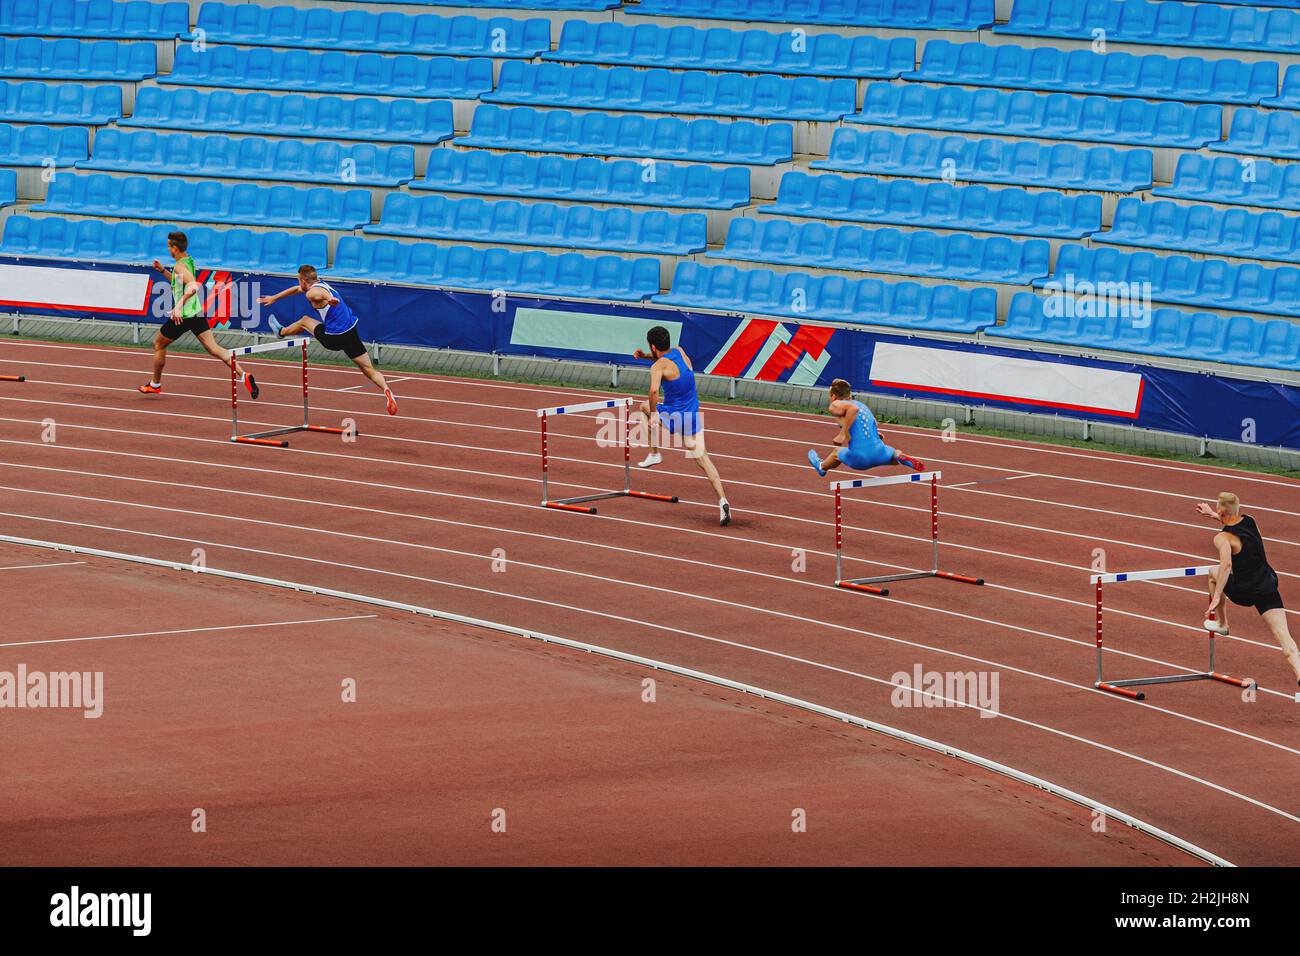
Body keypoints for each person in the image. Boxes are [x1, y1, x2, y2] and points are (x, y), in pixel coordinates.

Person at [1197, 492, 1300, 698]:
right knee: (1286, 640)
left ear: (1220, 511)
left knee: (1213, 572)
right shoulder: (1251, 520)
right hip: (1267, 586)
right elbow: (1234, 524)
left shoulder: (1222, 538)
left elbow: (1226, 566)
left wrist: (1217, 596)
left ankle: (1222, 623)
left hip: (1244, 591)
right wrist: (1212, 515)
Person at [257, 265, 397, 415]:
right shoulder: (321, 284)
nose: (298, 284)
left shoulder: (312, 293)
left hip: (334, 338)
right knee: (368, 369)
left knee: (304, 320)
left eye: (298, 280)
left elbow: (317, 295)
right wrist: (274, 298)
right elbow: (296, 290)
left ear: (304, 281)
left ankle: (281, 332)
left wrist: (328, 299)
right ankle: (387, 390)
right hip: (351, 332)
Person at [138, 231, 258, 399]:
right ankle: (244, 375)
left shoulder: (180, 265)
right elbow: (179, 281)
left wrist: (178, 306)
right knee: (214, 349)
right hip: (197, 313)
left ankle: (155, 384)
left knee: (158, 343)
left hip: (184, 316)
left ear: (174, 248)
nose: (168, 250)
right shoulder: (188, 260)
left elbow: (194, 286)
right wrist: (162, 271)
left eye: (168, 246)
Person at [632, 326, 731, 527]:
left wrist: (653, 415)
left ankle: (654, 453)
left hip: (674, 416)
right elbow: (670, 366)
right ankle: (723, 501)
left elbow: (653, 391)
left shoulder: (657, 368)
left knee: (643, 407)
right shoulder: (680, 351)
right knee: (703, 459)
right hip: (692, 415)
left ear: (653, 345)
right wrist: (645, 357)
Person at [806, 379, 923, 477]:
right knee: (894, 455)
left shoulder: (836, 404)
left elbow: (853, 410)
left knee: (837, 452)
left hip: (860, 458)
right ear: (849, 394)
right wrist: (876, 434)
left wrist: (842, 434)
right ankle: (899, 456)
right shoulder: (862, 405)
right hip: (880, 452)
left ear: (833, 396)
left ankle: (821, 467)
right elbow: (874, 423)